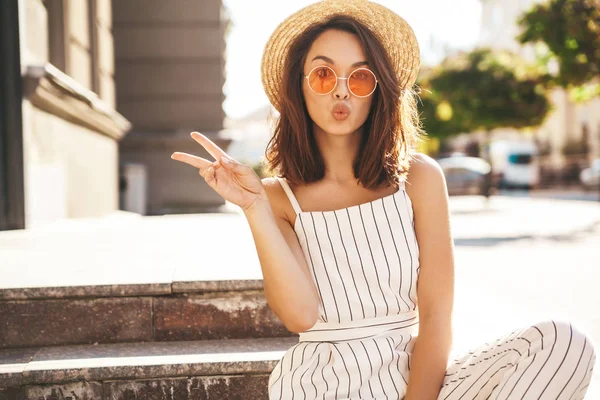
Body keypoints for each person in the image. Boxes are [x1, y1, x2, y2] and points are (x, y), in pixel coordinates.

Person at [171, 1, 596, 398]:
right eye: (323, 75)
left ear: (378, 90)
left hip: (416, 375)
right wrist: (254, 209)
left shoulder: (419, 180)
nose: (342, 91)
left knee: (562, 342)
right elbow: (299, 315)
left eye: (359, 77)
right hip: (323, 382)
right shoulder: (276, 199)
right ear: (299, 89)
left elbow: (435, 320)